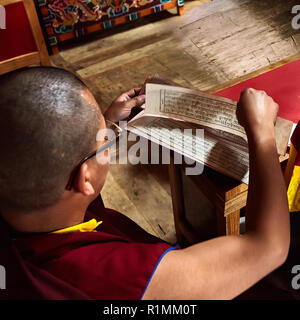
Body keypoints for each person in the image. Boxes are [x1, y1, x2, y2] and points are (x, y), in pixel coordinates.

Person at [0, 66, 290, 300]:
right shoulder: (112, 277)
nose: (108, 138)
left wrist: (108, 124)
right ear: (84, 178)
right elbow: (268, 247)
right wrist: (261, 131)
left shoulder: (20, 199)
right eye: (102, 141)